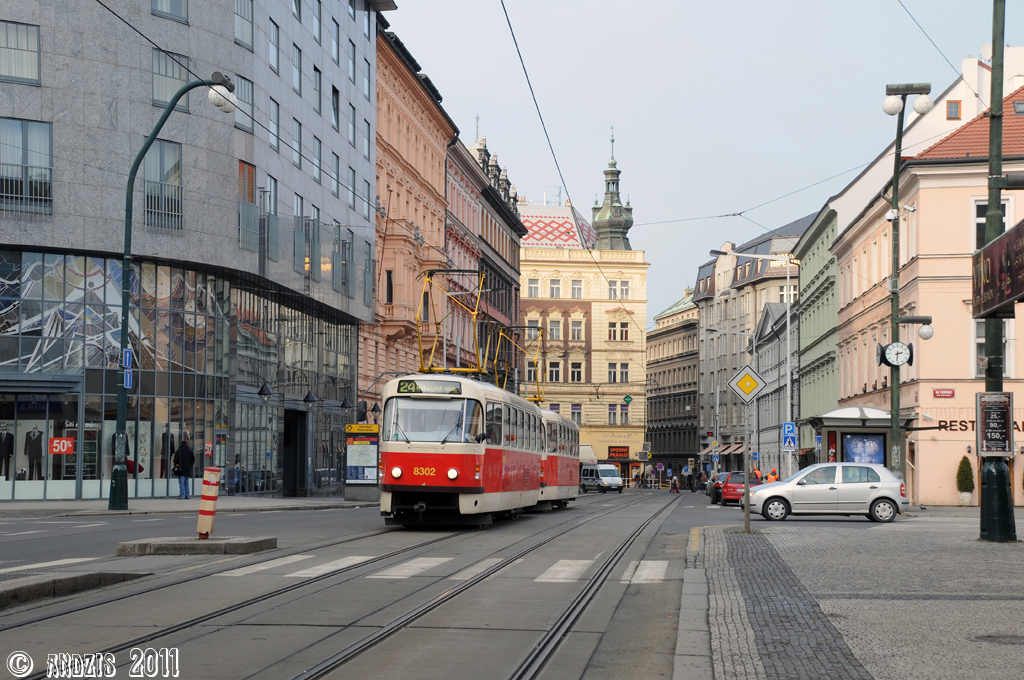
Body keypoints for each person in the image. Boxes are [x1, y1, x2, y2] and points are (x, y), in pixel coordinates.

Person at [172, 436, 195, 500]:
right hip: (187, 470)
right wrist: (189, 465)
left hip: (181, 470)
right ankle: (187, 495)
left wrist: (176, 465)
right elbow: (193, 460)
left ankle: (182, 495)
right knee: (186, 482)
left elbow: (175, 460)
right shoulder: (189, 451)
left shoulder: (179, 451)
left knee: (181, 482)